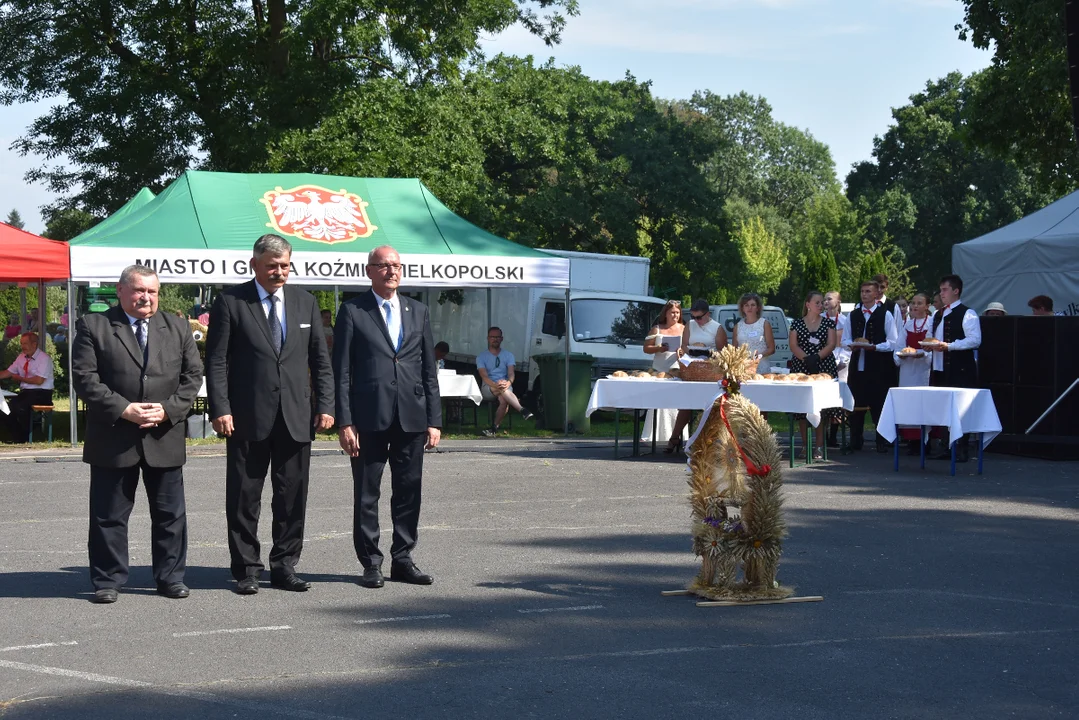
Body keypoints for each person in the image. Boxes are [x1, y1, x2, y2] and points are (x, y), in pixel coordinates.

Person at [205, 234, 335, 595]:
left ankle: (285, 565)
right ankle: (246, 568)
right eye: (272, 265)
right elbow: (216, 360)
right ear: (255, 265)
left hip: (296, 415)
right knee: (245, 496)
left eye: (284, 265)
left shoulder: (305, 302)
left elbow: (320, 361)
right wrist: (221, 408)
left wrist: (326, 405)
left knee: (292, 495)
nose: (279, 272)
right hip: (246, 415)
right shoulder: (231, 302)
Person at [70, 265, 203, 604]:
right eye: (139, 290)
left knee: (171, 516)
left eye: (152, 292)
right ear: (121, 291)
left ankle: (171, 578)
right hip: (114, 435)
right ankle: (108, 580)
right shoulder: (93, 326)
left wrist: (169, 409)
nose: (146, 297)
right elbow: (85, 378)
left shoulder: (177, 327)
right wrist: (123, 409)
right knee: (108, 516)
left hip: (164, 435)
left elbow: (192, 376)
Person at [333, 245, 442, 589]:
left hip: (411, 415)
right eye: (383, 266)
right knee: (368, 492)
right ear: (370, 270)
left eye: (396, 265)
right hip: (368, 417)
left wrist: (434, 419)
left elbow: (428, 368)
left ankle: (403, 558)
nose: (391, 271)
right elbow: (342, 372)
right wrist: (345, 420)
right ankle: (371, 562)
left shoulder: (418, 310)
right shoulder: (352, 310)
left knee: (409, 490)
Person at [927, 274, 981, 462]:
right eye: (940, 290)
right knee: (942, 408)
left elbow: (975, 340)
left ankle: (962, 448)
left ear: (956, 290)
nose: (941, 294)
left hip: (960, 368)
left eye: (944, 290)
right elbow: (932, 337)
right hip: (940, 367)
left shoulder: (968, 313)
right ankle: (946, 445)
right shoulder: (937, 314)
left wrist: (949, 346)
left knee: (960, 408)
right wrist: (929, 345)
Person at [845, 279, 898, 452]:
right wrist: (852, 344)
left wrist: (875, 346)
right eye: (862, 291)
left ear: (876, 294)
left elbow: (892, 342)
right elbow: (845, 339)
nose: (865, 294)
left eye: (868, 291)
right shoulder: (853, 315)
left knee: (879, 403)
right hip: (857, 365)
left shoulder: (886, 314)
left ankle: (881, 440)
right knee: (856, 403)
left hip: (878, 366)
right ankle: (855, 439)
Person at [668, 299, 728, 450]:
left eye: (699, 317)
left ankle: (708, 441)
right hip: (692, 368)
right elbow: (684, 345)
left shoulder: (717, 328)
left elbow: (723, 352)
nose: (696, 320)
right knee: (686, 404)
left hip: (710, 371)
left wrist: (707, 352)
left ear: (707, 314)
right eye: (693, 317)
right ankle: (675, 437)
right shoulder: (690, 325)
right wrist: (690, 351)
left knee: (711, 407)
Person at [789, 291, 837, 460]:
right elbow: (793, 344)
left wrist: (817, 357)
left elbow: (832, 343)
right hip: (801, 367)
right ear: (807, 304)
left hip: (823, 366)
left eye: (821, 302)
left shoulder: (828, 323)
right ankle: (804, 445)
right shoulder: (796, 323)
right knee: (802, 408)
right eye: (816, 302)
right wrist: (806, 358)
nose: (820, 305)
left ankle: (819, 446)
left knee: (820, 408)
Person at [893, 292, 934, 454]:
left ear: (927, 306)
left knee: (924, 402)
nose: (915, 306)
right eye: (913, 303)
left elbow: (933, 347)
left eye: (919, 303)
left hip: (923, 370)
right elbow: (899, 346)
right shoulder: (907, 325)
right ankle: (912, 440)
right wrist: (901, 355)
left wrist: (922, 354)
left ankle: (927, 440)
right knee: (909, 402)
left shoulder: (931, 324)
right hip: (908, 370)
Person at [642, 300, 685, 450]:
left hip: (676, 368)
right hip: (659, 368)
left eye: (677, 312)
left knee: (675, 402)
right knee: (658, 400)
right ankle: (655, 434)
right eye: (672, 312)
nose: (675, 315)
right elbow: (646, 348)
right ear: (665, 313)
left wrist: (682, 352)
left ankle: (676, 434)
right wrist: (659, 348)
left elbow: (689, 349)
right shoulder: (657, 329)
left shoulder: (684, 329)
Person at [476, 326, 533, 435]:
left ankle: (494, 428)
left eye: (497, 337)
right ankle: (522, 410)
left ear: (501, 339)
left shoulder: (508, 355)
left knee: (504, 400)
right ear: (488, 338)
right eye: (492, 337)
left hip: (504, 385)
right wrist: (496, 385)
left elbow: (511, 374)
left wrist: (508, 382)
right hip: (489, 387)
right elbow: (484, 376)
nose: (495, 339)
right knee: (503, 391)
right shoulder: (481, 357)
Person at [0, 332, 54, 443]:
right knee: (5, 410)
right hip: (26, 393)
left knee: (20, 407)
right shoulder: (21, 357)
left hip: (42, 393)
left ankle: (24, 436)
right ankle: (19, 437)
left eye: (25, 343)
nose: (22, 346)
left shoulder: (44, 359)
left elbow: (39, 381)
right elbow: (8, 372)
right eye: (21, 343)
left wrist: (20, 378)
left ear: (34, 344)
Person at [822, 291, 850, 449]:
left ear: (838, 302)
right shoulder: (820, 320)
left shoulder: (845, 321)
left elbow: (848, 343)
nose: (826, 301)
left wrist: (843, 360)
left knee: (838, 400)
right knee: (824, 399)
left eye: (829, 299)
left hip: (841, 364)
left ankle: (834, 434)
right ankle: (824, 434)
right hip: (824, 362)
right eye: (824, 299)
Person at [733, 293, 775, 373]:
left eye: (753, 305)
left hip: (761, 366)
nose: (750, 308)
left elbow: (771, 349)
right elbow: (734, 350)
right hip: (743, 368)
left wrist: (760, 356)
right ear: (742, 308)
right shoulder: (737, 326)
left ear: (758, 308)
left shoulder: (765, 324)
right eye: (746, 305)